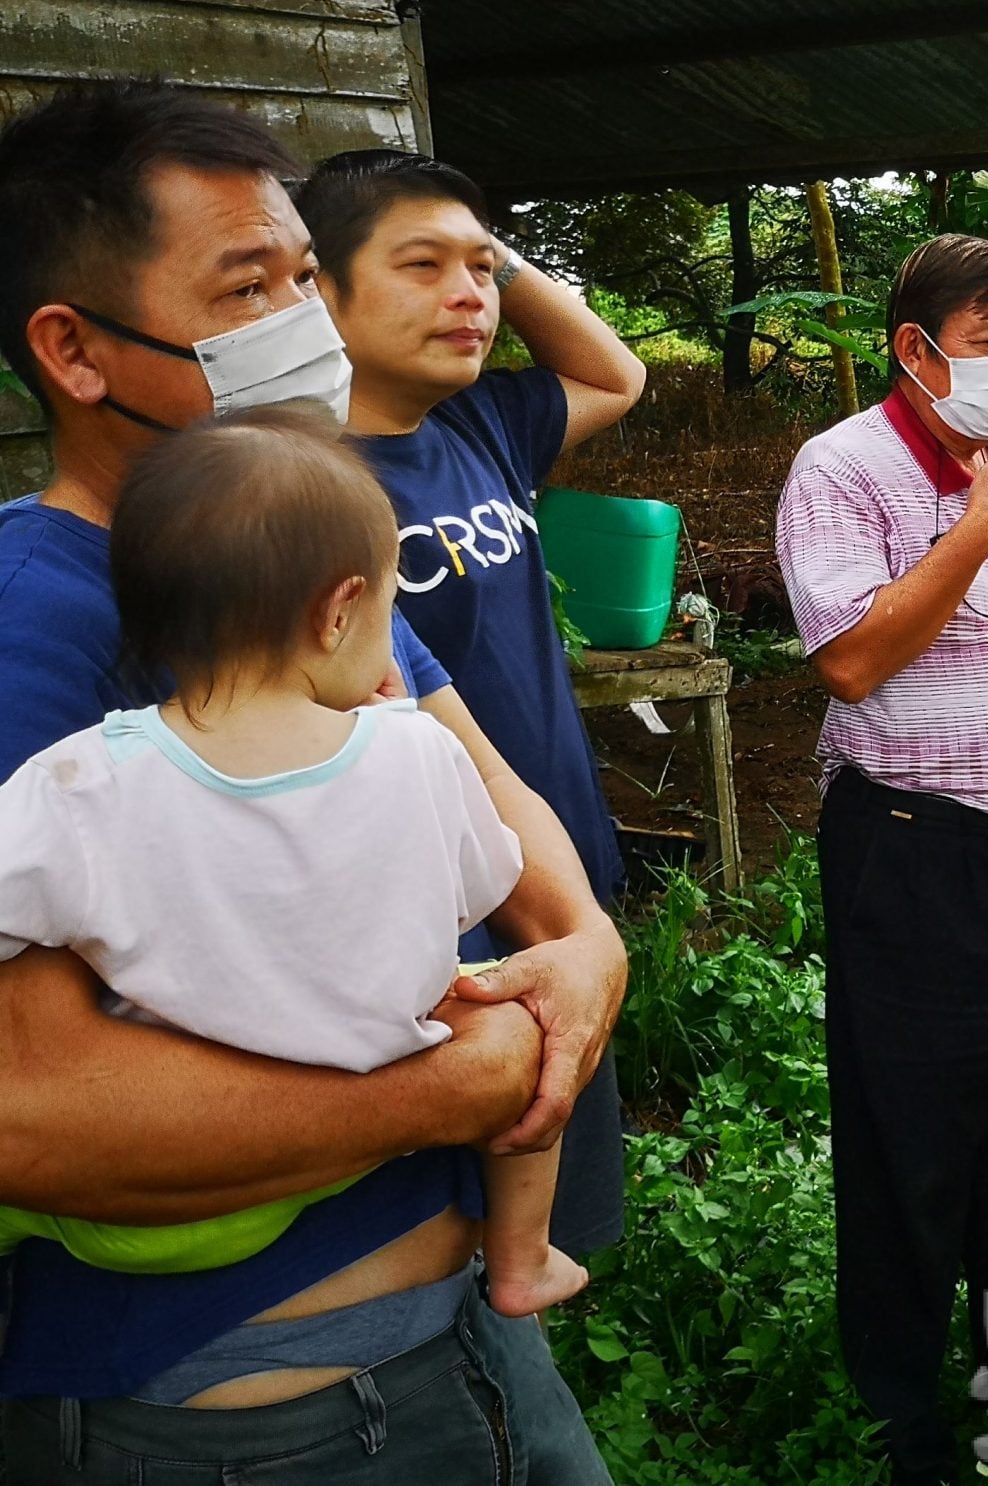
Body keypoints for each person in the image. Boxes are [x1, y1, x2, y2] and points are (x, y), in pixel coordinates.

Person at [0, 82, 619, 1482]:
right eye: (250, 287)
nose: (307, 325)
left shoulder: (285, 556)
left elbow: (501, 809)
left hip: (461, 1340)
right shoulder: (27, 624)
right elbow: (24, 1101)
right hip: (247, 1410)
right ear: (75, 351)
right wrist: (470, 1076)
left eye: (302, 275)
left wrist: (586, 948)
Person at [0, 406, 588, 1321]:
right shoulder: (418, 753)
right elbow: (483, 881)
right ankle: (525, 1256)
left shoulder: (79, 780)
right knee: (518, 1015)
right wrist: (392, 726)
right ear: (338, 610)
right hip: (371, 1143)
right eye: (389, 607)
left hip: (167, 1208)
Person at [775, 233, 988, 1486]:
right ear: (914, 349)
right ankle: (905, 1429)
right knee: (910, 1140)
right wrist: (973, 527)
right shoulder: (842, 468)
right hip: (915, 848)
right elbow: (849, 659)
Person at [294, 148, 648, 1260]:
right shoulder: (290, 481)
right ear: (322, 293)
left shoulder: (477, 426)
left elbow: (616, 376)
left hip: (556, 868)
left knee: (558, 1208)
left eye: (481, 268)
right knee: (449, 1227)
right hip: (438, 911)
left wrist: (499, 255)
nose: (471, 294)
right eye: (422, 266)